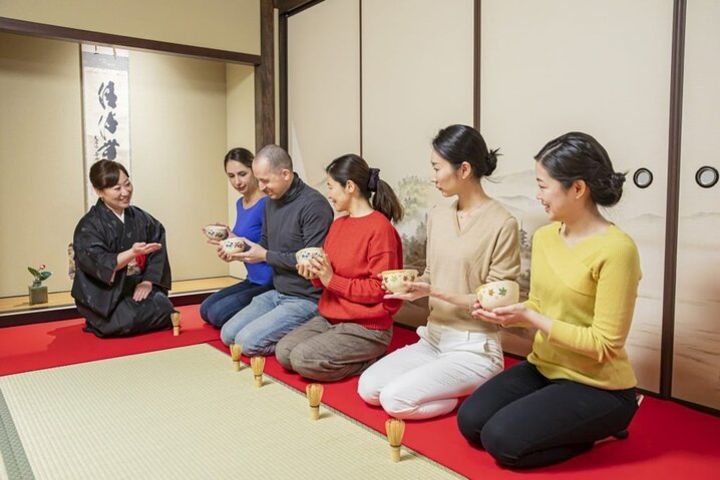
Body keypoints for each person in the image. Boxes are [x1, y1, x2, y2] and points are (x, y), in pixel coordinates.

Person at [457, 132, 641, 469]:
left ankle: (597, 431)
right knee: (471, 422)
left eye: (543, 186)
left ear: (577, 189)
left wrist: (531, 318)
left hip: (599, 386)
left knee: (502, 442)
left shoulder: (618, 250)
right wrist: (511, 314)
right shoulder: (545, 237)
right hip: (545, 366)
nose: (538, 195)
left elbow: (605, 345)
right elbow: (539, 304)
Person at [357, 124, 521, 419]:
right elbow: (431, 275)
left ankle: (463, 390)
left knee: (395, 401)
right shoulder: (439, 215)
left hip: (474, 347)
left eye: (437, 167)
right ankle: (442, 385)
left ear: (464, 169)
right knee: (369, 388)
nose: (432, 177)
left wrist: (431, 291)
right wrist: (410, 287)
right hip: (432, 338)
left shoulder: (502, 223)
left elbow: (497, 301)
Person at [275, 154, 404, 381]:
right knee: (284, 353)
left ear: (350, 187)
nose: (329, 194)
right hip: (330, 318)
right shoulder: (338, 225)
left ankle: (372, 361)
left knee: (303, 360)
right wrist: (313, 274)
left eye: (331, 187)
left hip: (367, 328)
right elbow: (327, 276)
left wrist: (330, 279)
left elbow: (379, 289)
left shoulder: (380, 229)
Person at [220, 145, 334, 355]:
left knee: (246, 344)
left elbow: (313, 263)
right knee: (228, 334)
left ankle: (305, 337)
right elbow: (264, 246)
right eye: (258, 179)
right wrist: (240, 249)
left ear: (285, 174)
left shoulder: (313, 205)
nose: (261, 187)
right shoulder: (271, 202)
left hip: (306, 298)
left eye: (265, 180)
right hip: (278, 292)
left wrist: (263, 255)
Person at [72, 160, 175, 337]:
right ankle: (100, 320)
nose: (125, 192)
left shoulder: (140, 217)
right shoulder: (89, 226)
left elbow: (158, 241)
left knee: (164, 307)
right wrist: (132, 253)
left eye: (127, 184)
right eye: (116, 188)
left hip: (136, 285)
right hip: (104, 294)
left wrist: (148, 281)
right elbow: (99, 263)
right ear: (99, 191)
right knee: (127, 320)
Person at [200, 148, 273, 328]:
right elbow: (245, 242)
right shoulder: (240, 203)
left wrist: (237, 244)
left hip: (269, 283)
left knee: (217, 314)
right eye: (231, 176)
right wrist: (229, 242)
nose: (237, 181)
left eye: (242, 174)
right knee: (205, 309)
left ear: (254, 171)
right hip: (252, 279)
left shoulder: (268, 204)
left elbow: (269, 249)